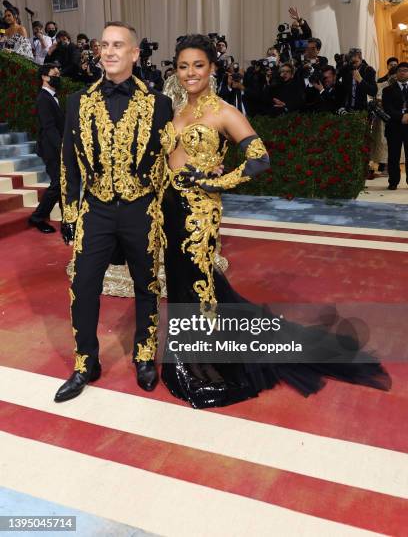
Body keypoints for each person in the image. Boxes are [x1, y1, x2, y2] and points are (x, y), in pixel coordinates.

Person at [159, 34, 391, 409]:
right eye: (183, 66)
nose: (190, 73)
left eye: (198, 65)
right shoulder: (175, 109)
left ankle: (201, 361)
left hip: (200, 211)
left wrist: (214, 181)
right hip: (169, 208)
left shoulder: (224, 111)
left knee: (198, 280)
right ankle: (189, 353)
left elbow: (259, 159)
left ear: (212, 68)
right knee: (180, 280)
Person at [54, 21, 173, 403]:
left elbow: (170, 160)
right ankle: (85, 361)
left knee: (147, 284)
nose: (108, 51)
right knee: (83, 284)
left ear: (135, 54)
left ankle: (143, 355)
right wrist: (70, 214)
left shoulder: (159, 104)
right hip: (96, 210)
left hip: (142, 208)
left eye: (118, 45)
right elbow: (68, 164)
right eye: (103, 45)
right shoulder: (78, 102)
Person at [28, 64, 64, 233]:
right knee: (57, 183)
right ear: (44, 77)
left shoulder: (52, 96)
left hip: (56, 146)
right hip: (51, 148)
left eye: (58, 74)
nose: (58, 77)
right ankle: (37, 218)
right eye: (54, 74)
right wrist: (61, 147)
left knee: (63, 183)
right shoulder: (43, 98)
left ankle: (68, 219)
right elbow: (49, 127)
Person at [382, 61, 408, 189]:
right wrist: (401, 117)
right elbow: (387, 108)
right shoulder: (388, 90)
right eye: (400, 70)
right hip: (394, 126)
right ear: (396, 73)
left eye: (405, 70)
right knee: (393, 156)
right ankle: (393, 181)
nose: (403, 72)